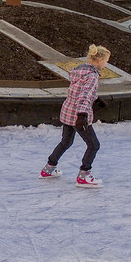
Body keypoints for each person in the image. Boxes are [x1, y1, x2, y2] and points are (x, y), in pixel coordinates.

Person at [41, 44, 110, 187]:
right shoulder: (91, 76)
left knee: (66, 142)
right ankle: (84, 175)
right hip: (77, 115)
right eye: (106, 61)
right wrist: (82, 115)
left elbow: (78, 90)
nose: (106, 64)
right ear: (99, 60)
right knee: (93, 145)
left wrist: (96, 99)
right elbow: (84, 96)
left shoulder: (80, 70)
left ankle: (48, 168)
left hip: (67, 112)